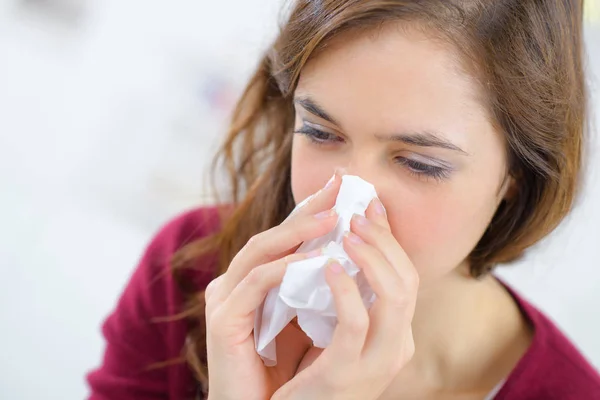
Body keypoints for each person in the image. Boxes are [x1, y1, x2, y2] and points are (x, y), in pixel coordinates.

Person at [87, 0, 600, 399]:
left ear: (516, 174)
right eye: (320, 132)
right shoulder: (192, 272)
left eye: (420, 163)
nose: (347, 198)